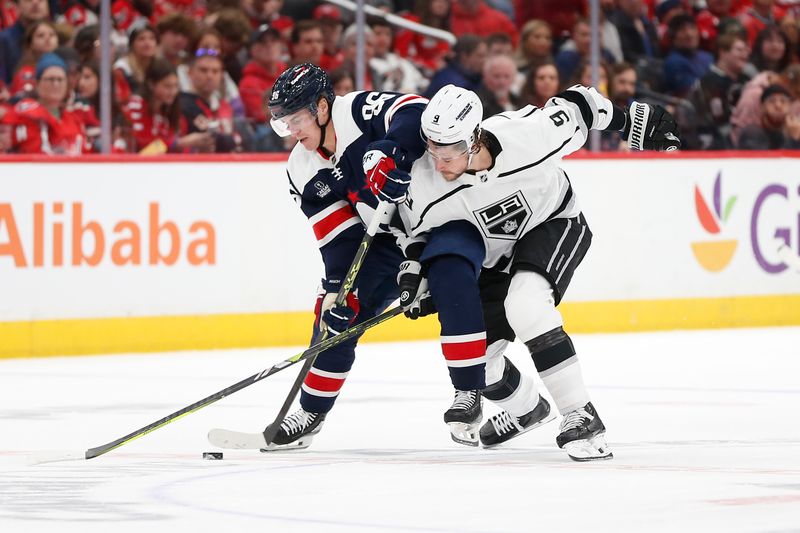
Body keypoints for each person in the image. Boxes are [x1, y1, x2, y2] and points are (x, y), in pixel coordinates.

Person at [395, 84, 680, 458]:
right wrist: (416, 276)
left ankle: (582, 416)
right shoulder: (426, 182)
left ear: (474, 139)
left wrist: (630, 122)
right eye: (433, 149)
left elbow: (580, 104)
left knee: (526, 305)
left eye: (449, 152)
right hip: (496, 257)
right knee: (477, 359)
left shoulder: (528, 135)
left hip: (554, 222)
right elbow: (413, 231)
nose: (439, 162)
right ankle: (527, 409)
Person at [259, 63, 430, 450]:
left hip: (436, 224)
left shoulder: (356, 112)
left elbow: (419, 110)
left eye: (297, 119)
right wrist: (339, 289)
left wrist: (389, 151)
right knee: (335, 312)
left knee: (467, 308)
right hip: (385, 243)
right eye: (283, 123)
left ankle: (518, 401)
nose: (292, 132)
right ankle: (311, 411)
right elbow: (338, 236)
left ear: (322, 108)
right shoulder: (301, 168)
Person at [0, 52, 94, 154]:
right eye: (51, 79)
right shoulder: (27, 114)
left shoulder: (72, 118)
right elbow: (37, 156)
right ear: (37, 83)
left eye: (60, 79)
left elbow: (86, 152)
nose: (56, 84)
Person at [124, 58, 214, 153]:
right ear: (151, 84)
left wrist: (196, 149)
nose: (173, 92)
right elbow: (141, 147)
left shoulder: (172, 111)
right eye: (167, 86)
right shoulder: (136, 106)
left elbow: (176, 151)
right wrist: (179, 143)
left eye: (176, 86)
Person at [179, 48, 240, 153]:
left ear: (221, 76)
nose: (209, 76)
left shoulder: (226, 106)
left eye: (215, 71)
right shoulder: (180, 105)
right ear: (190, 73)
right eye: (203, 70)